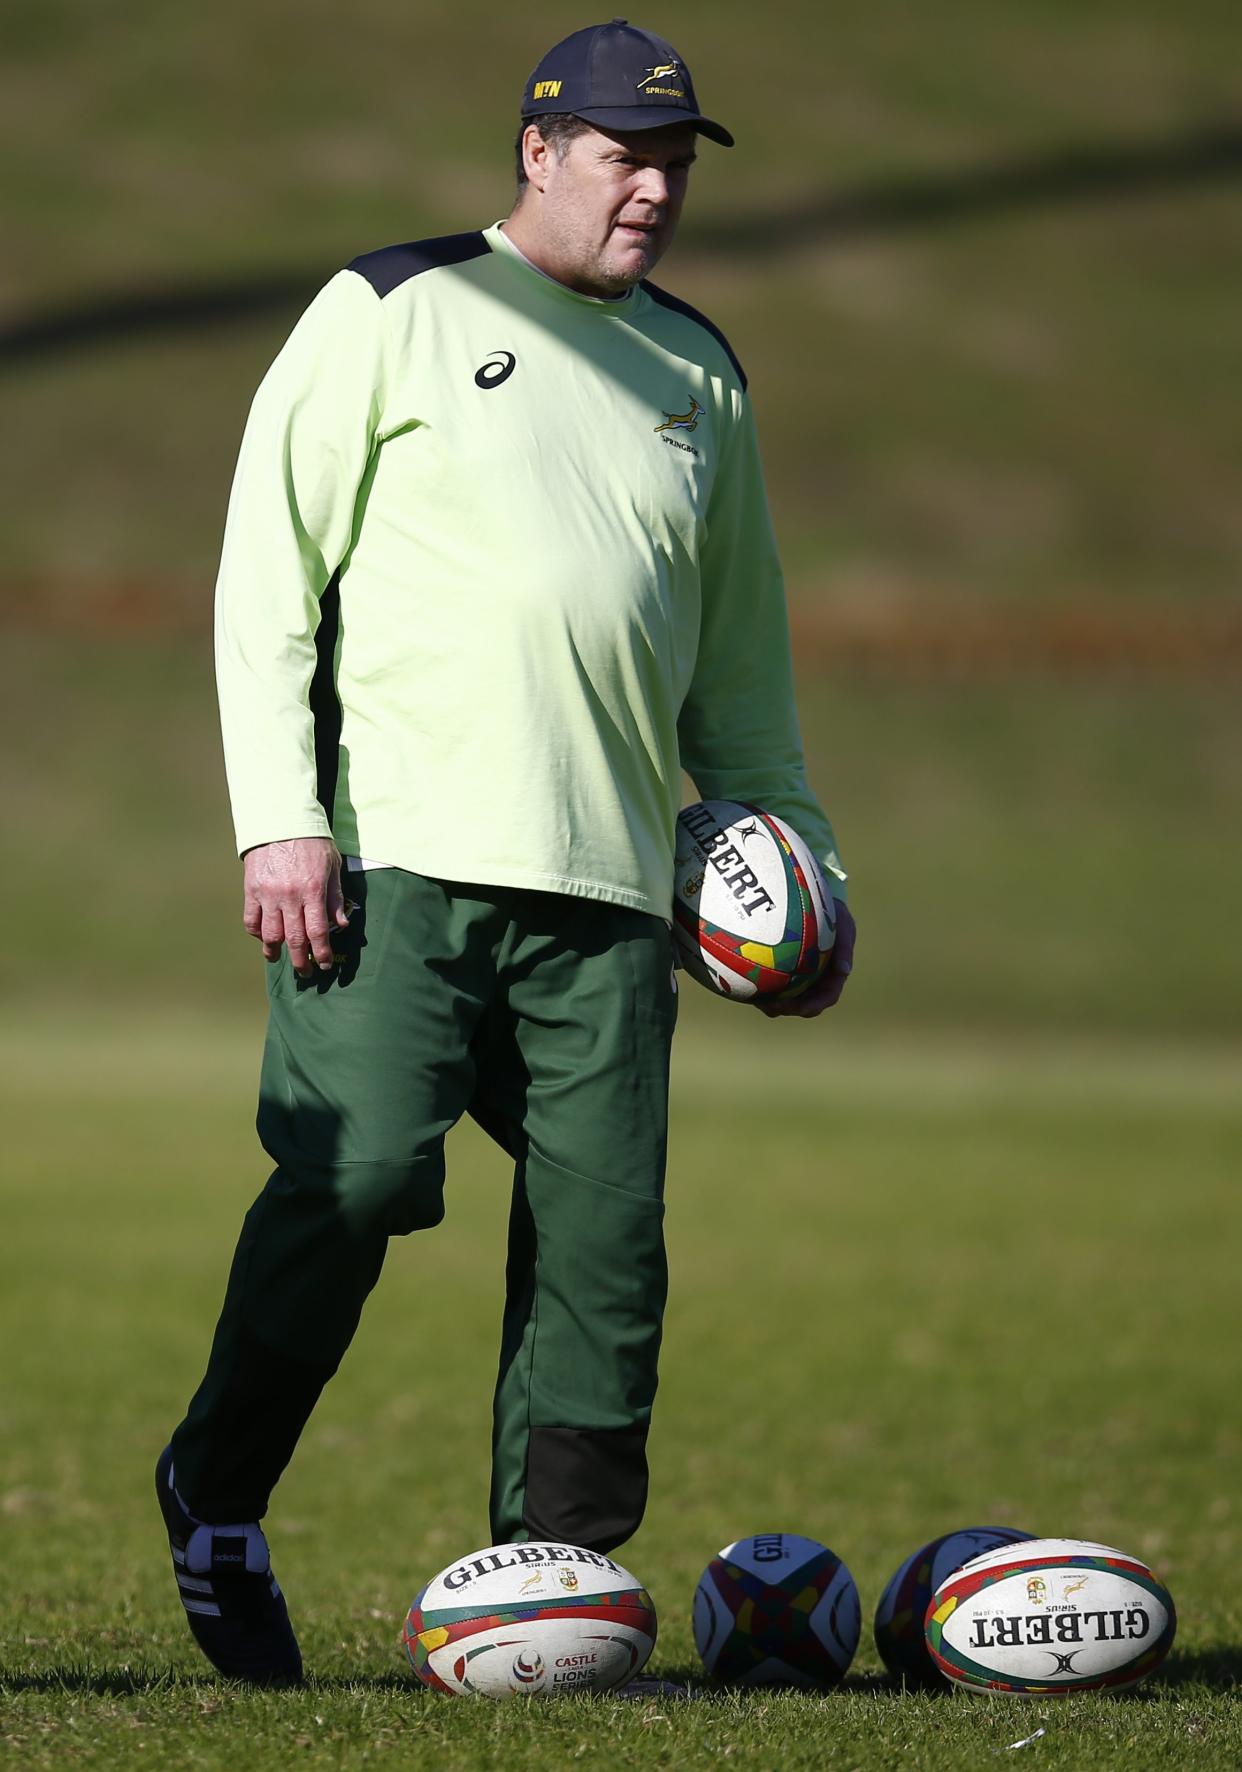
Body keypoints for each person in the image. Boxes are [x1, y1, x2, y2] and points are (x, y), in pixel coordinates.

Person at [156, 16, 855, 1685]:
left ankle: (544, 1592)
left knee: (607, 1252)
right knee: (367, 1169)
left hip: (614, 890)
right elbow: (269, 582)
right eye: (626, 155)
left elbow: (740, 676)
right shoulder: (395, 306)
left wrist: (805, 874)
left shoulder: (699, 369)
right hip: (395, 856)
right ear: (538, 151)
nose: (653, 189)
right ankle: (217, 1491)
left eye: (674, 161)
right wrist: (282, 821)